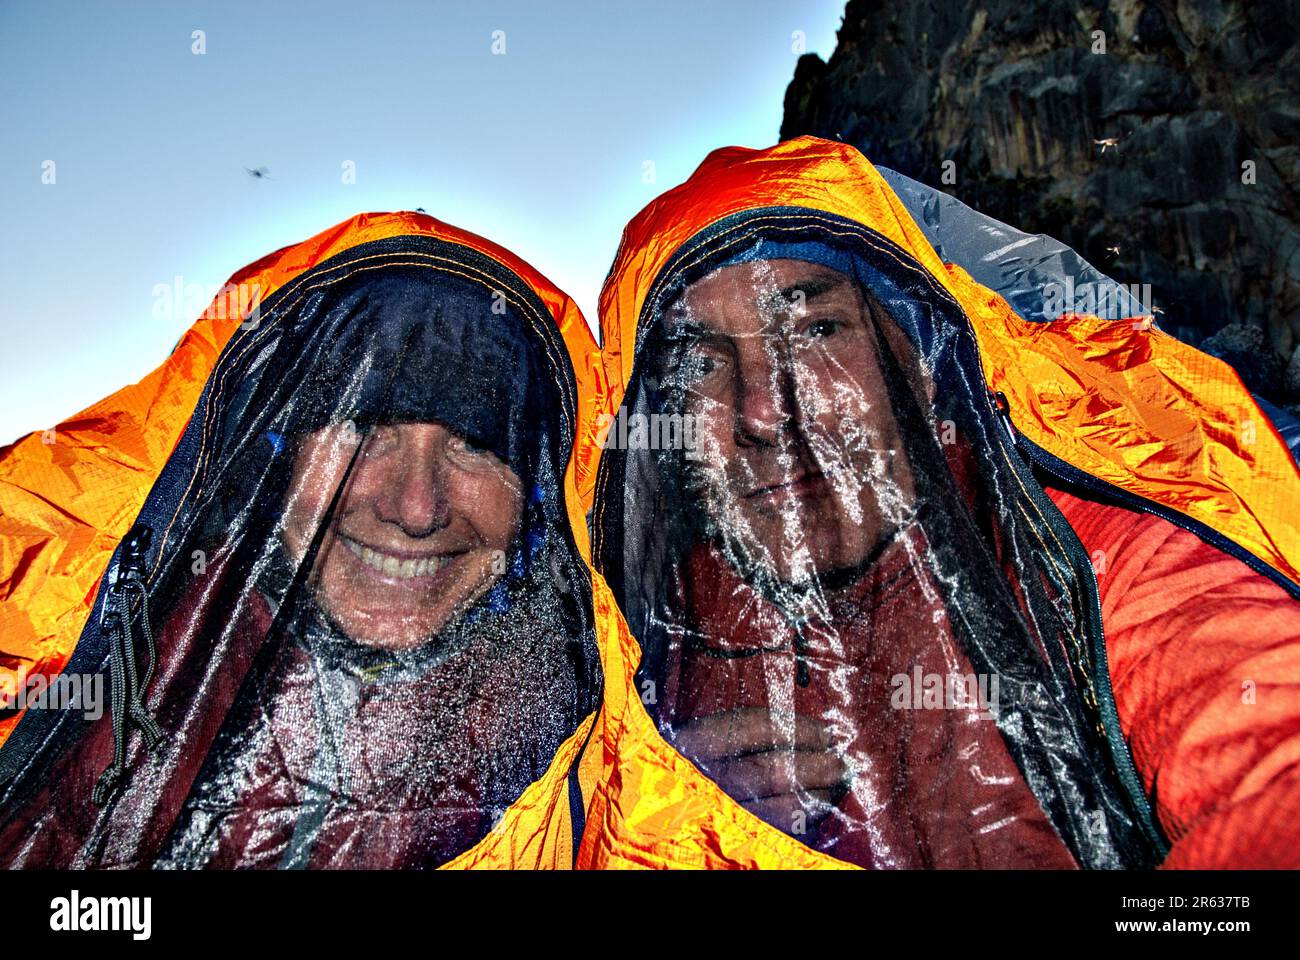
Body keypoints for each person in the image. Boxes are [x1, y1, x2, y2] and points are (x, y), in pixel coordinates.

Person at [582, 137, 1300, 869]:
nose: (763, 411)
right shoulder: (648, 644)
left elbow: (1266, 760)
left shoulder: (1078, 556)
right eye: (701, 363)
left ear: (919, 356)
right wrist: (662, 804)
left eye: (815, 330)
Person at [0, 216, 603, 869]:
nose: (416, 507)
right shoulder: (70, 672)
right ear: (274, 456)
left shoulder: (599, 783)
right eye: (366, 428)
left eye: (474, 442)